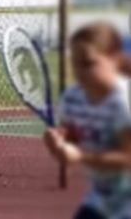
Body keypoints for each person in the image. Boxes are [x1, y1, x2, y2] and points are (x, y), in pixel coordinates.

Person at [44, 22, 131, 219]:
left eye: (89, 63)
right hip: (100, 200)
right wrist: (56, 146)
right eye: (75, 63)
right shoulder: (72, 98)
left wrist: (81, 155)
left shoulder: (124, 101)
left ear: (114, 60)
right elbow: (70, 145)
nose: (80, 71)